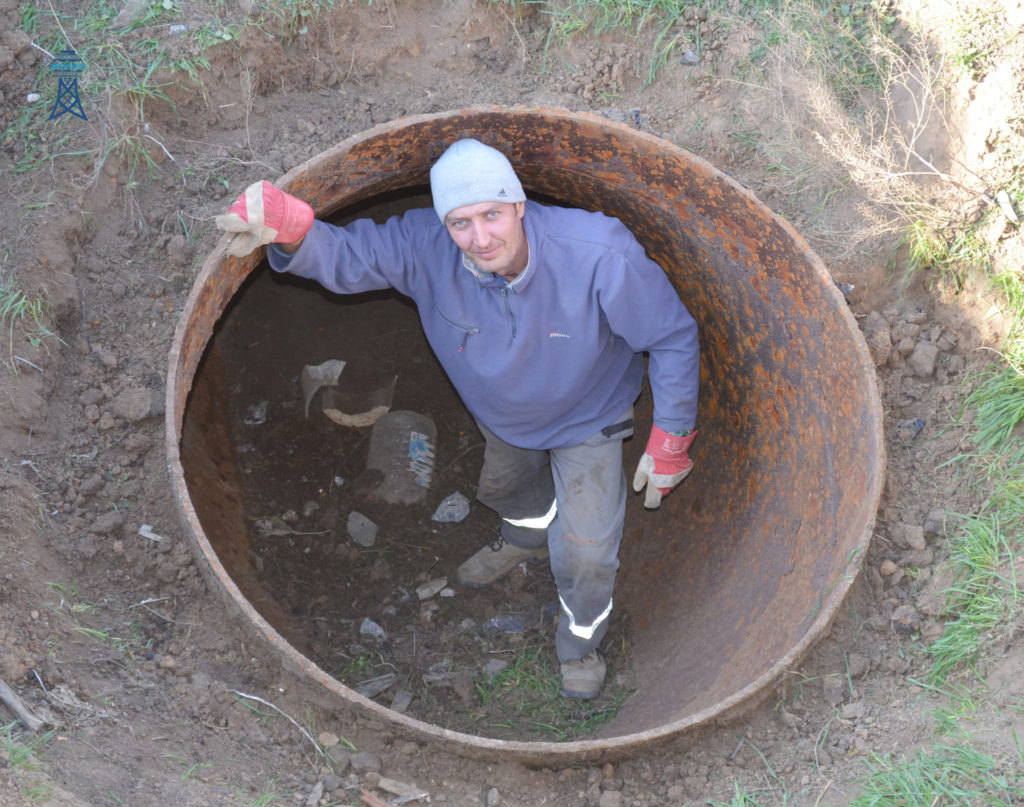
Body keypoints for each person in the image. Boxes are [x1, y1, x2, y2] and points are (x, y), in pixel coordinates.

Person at [215, 138, 700, 699]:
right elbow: (350, 256)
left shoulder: (597, 254)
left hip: (587, 417)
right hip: (502, 417)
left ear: (520, 205)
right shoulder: (426, 246)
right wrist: (296, 227)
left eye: (493, 214)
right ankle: (525, 536)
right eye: (461, 222)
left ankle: (581, 645)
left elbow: (670, 336)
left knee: (588, 554)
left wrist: (672, 435)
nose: (480, 238)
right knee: (503, 487)